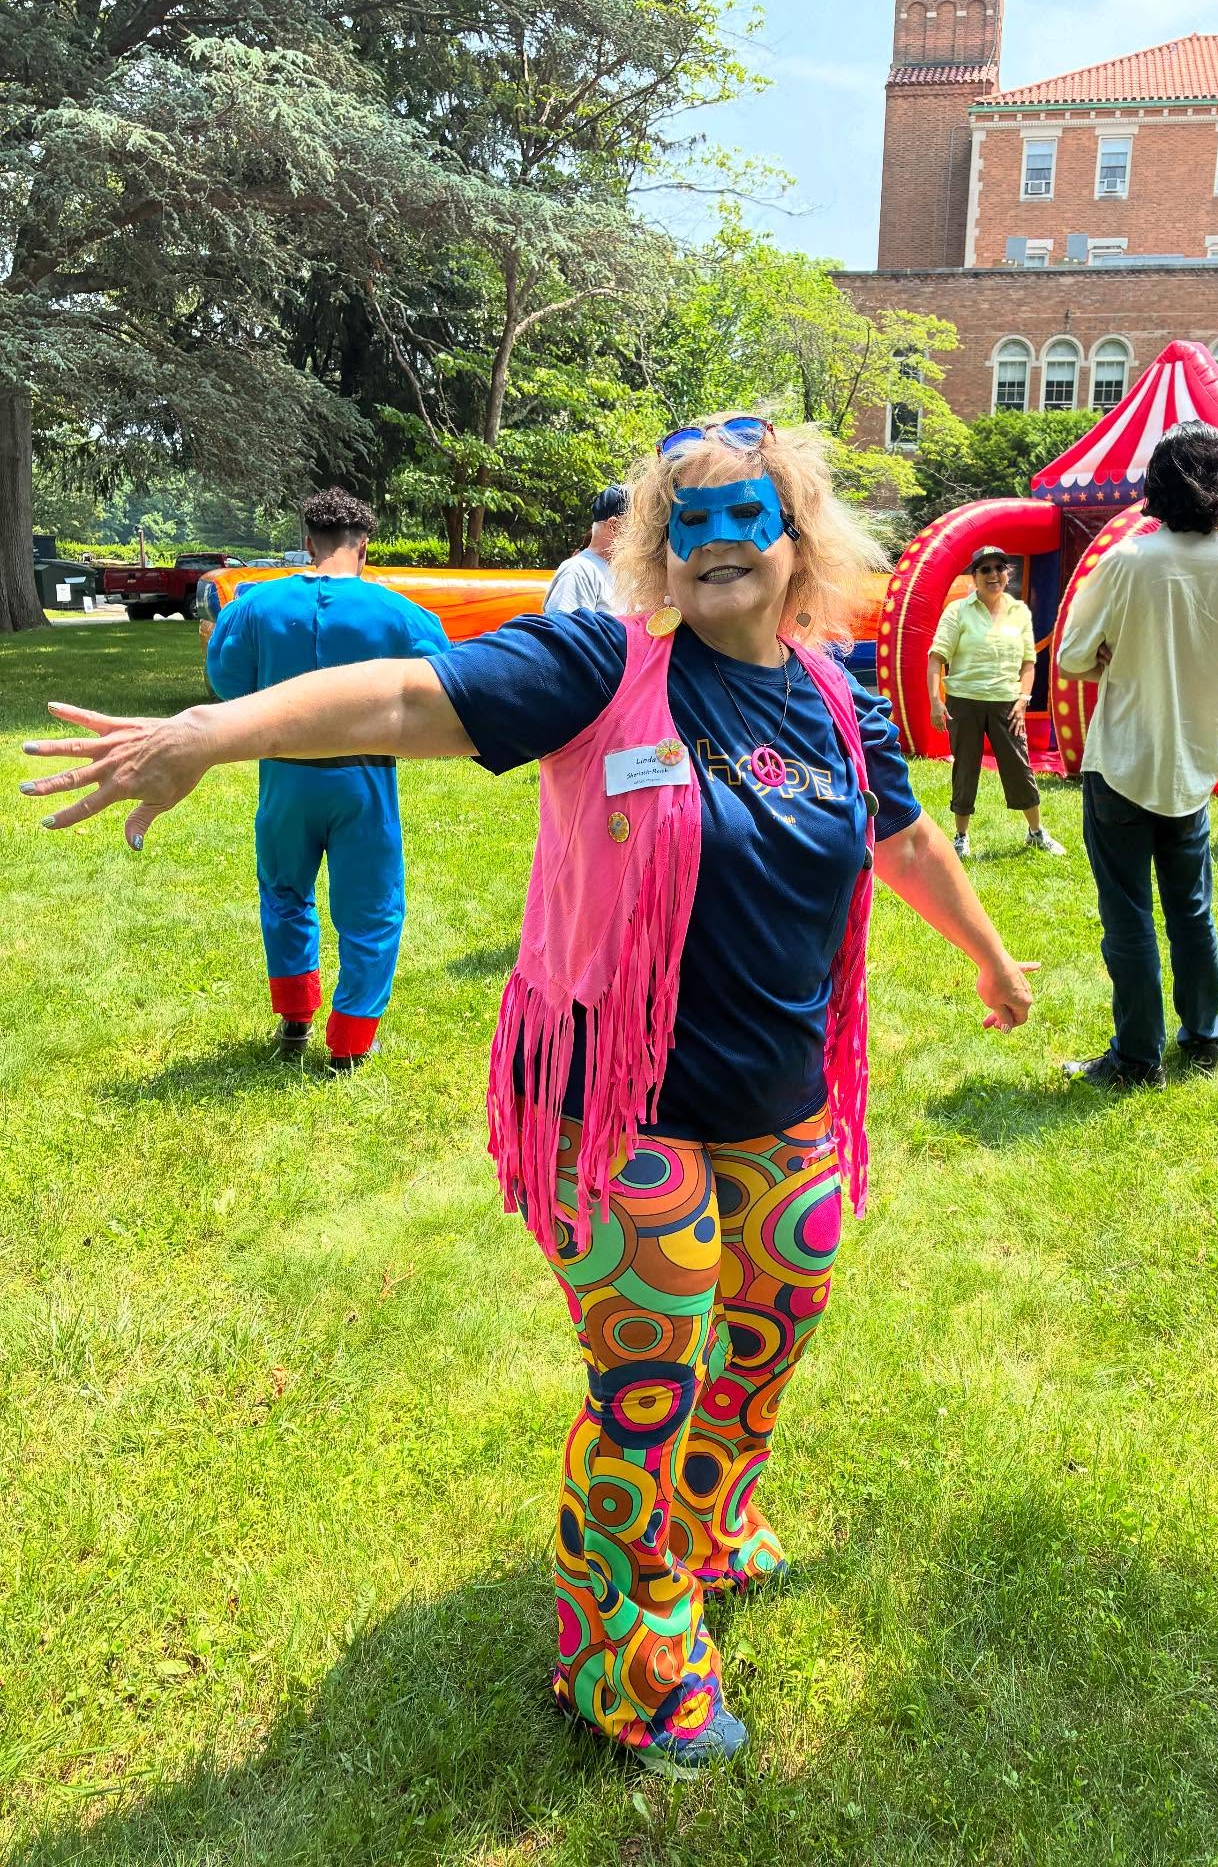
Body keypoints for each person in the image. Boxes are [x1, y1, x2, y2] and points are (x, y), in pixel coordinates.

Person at [22, 414, 1036, 1779]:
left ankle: (710, 1525)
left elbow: (897, 835)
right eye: (687, 520)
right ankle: (627, 1658)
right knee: (651, 1381)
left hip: (782, 1097)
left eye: (747, 517)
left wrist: (987, 955)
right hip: (611, 1104)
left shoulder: (839, 694)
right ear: (658, 546)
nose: (716, 544)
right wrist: (210, 731)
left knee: (766, 1340)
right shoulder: (598, 665)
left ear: (799, 541)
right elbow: (403, 699)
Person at [204, 487, 450, 1071]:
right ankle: (352, 1042)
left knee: (284, 894)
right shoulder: (400, 613)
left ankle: (294, 1019)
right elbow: (445, 683)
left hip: (284, 778)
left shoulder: (254, 606)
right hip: (362, 777)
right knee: (371, 908)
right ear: (363, 547)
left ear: (308, 544)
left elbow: (227, 681)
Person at [1056, 421, 1218, 1091]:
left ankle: (1137, 1059)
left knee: (1129, 918)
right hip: (1194, 758)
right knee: (1192, 911)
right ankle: (1203, 1038)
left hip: (1124, 757)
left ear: (1158, 483)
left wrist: (1111, 656)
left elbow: (1072, 655)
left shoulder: (1129, 559)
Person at [926, 545, 1066, 858]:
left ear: (1008, 573)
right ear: (974, 576)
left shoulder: (1019, 612)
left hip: (1007, 702)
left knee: (1019, 766)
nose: (993, 574)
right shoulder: (958, 611)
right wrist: (936, 701)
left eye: (999, 568)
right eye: (985, 569)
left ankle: (1036, 832)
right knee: (965, 768)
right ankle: (961, 837)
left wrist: (1023, 698)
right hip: (965, 702)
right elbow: (936, 658)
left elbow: (1028, 662)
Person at [543, 484, 629, 614]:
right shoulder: (578, 572)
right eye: (638, 528)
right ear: (614, 527)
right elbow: (567, 626)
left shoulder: (625, 573)